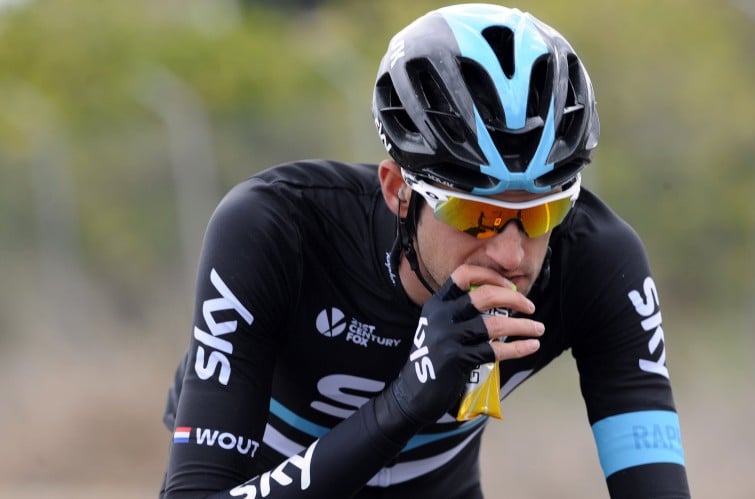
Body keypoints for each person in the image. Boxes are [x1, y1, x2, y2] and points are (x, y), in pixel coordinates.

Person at [159, 3, 690, 498]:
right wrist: (406, 399)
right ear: (397, 190)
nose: (511, 255)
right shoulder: (274, 230)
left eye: (540, 214)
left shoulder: (596, 260)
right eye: (476, 216)